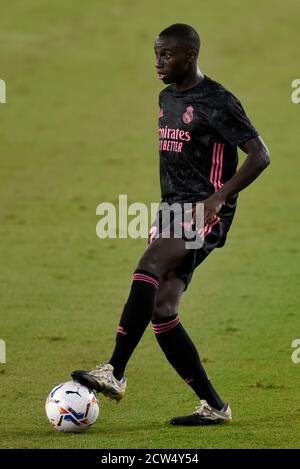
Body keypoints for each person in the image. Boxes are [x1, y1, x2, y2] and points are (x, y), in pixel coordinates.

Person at [72, 23, 270, 425]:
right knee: (162, 310)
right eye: (156, 54)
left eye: (167, 55)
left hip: (203, 212)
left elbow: (260, 155)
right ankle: (215, 408)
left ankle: (115, 371)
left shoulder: (219, 101)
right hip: (170, 210)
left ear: (190, 56)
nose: (159, 62)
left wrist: (219, 196)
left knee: (147, 267)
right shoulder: (167, 98)